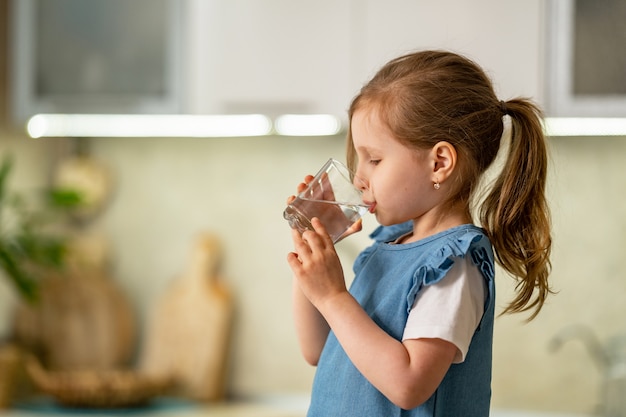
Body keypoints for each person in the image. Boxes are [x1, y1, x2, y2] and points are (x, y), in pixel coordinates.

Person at [286, 50, 552, 416]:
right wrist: (312, 260)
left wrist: (333, 296)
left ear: (439, 163)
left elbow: (408, 384)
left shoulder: (453, 266)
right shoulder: (386, 249)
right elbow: (318, 349)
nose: (359, 176)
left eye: (374, 159)